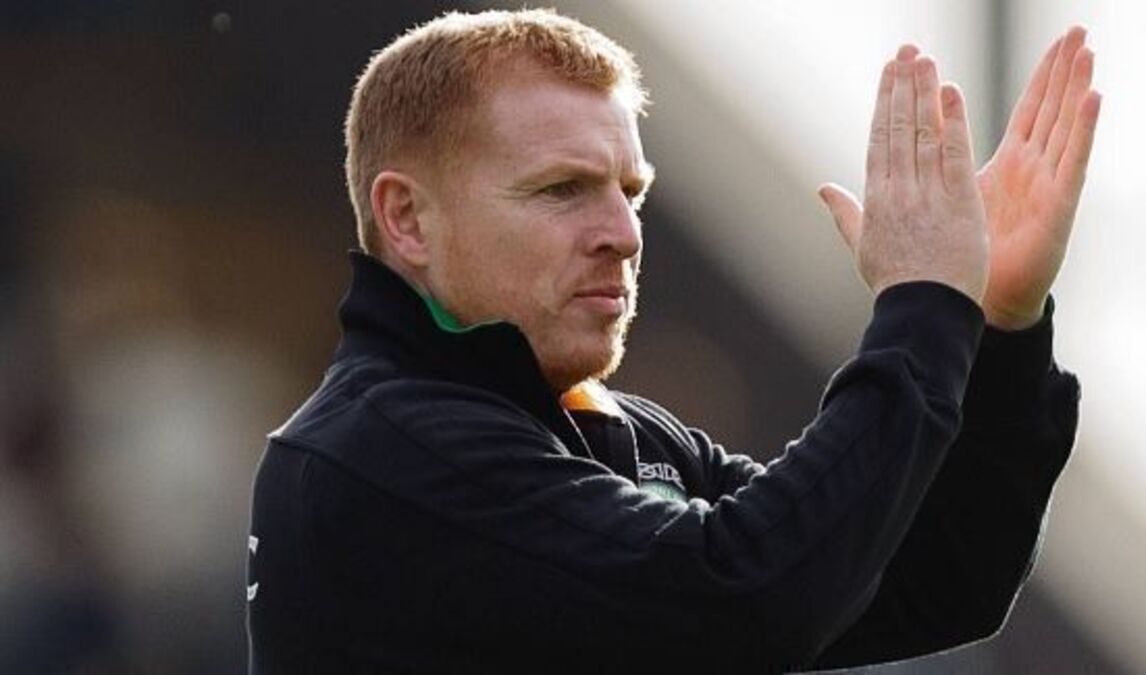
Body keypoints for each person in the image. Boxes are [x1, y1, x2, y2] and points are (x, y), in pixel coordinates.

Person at [246, 8, 1100, 673]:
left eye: (631, 192)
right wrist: (919, 310)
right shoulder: (383, 454)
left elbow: (933, 581)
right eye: (562, 189)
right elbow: (748, 595)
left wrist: (998, 326)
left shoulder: (610, 432)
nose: (623, 233)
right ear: (407, 218)